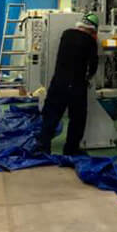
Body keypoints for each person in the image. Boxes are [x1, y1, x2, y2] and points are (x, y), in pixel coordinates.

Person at [38, 12, 99, 155]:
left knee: (51, 114)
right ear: (93, 30)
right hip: (76, 86)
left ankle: (43, 147)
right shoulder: (90, 41)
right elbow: (93, 66)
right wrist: (88, 77)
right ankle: (71, 149)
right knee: (77, 118)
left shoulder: (66, 34)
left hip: (58, 82)